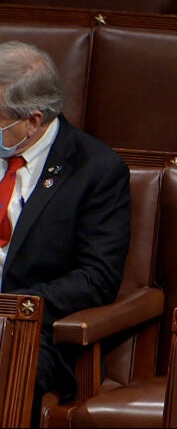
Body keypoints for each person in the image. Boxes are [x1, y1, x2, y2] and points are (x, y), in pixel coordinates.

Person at [0, 41, 131, 427]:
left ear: (33, 121)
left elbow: (97, 279)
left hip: (33, 333)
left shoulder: (96, 171)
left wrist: (11, 305)